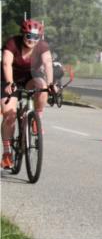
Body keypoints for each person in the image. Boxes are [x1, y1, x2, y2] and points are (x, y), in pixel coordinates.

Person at [2, 20, 56, 169]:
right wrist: (9, 83)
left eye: (35, 37)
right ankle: (6, 153)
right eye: (28, 36)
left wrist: (51, 84)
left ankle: (36, 118)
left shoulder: (43, 47)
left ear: (40, 37)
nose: (32, 40)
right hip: (9, 78)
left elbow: (48, 64)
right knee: (9, 115)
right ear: (23, 34)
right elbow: (6, 64)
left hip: (30, 77)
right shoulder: (12, 43)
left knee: (42, 86)